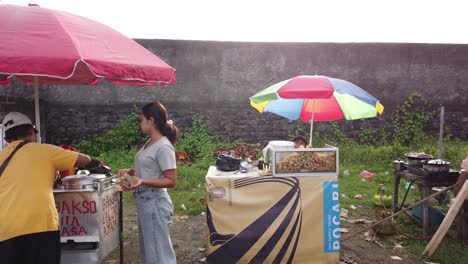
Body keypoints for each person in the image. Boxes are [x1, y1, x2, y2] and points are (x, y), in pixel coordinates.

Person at [0, 112, 94, 264]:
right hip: (41, 225)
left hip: (5, 229)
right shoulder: (46, 151)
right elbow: (84, 160)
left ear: (6, 139)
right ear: (31, 133)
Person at [118, 101, 179, 264]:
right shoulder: (150, 142)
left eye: (141, 119)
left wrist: (142, 181)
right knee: (150, 254)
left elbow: (171, 181)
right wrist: (130, 172)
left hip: (155, 203)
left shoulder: (164, 146)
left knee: (159, 256)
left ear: (151, 121)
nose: (140, 123)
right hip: (145, 202)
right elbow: (149, 168)